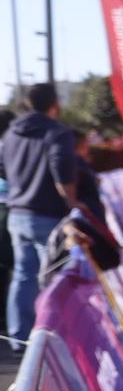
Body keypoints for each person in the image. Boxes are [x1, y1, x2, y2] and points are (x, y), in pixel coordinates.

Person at [1, 83, 80, 343]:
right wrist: (72, 203)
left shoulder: (11, 133)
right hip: (47, 214)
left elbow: (3, 167)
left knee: (23, 275)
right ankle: (50, 335)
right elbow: (62, 169)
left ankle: (19, 336)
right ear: (54, 103)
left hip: (17, 212)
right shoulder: (57, 132)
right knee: (53, 279)